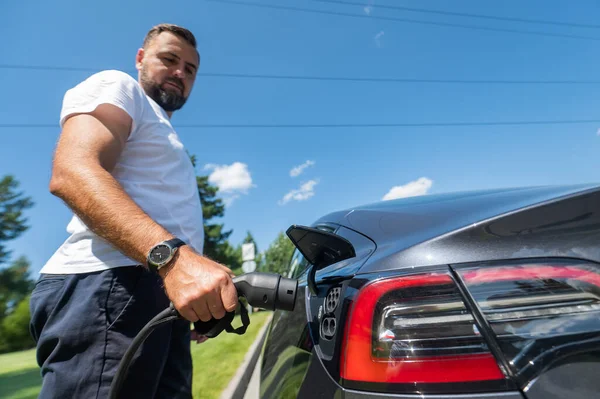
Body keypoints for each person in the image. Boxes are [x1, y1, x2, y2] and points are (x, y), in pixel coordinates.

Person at [29, 23, 238, 399]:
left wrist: (194, 289)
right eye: (170, 59)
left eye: (190, 69)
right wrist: (175, 261)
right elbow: (73, 173)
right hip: (110, 287)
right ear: (140, 59)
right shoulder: (118, 86)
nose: (180, 73)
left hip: (158, 290)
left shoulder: (163, 130)